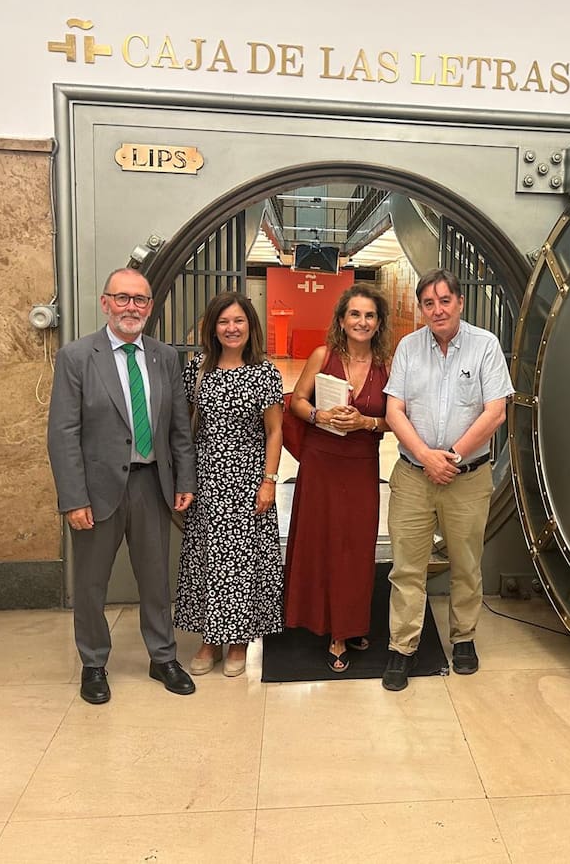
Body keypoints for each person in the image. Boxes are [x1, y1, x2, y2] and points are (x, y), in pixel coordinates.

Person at [48, 267, 198, 705]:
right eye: (123, 298)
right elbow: (63, 434)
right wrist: (73, 498)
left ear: (150, 307)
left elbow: (179, 428)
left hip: (152, 484)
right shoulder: (77, 357)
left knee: (156, 580)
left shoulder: (165, 357)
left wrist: (184, 478)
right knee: (91, 583)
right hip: (96, 491)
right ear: (105, 303)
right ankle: (94, 663)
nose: (131, 307)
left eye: (140, 299)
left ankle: (163, 657)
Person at [381, 269, 513, 691]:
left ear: (459, 302)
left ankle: (463, 638)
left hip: (467, 478)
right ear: (421, 308)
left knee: (467, 564)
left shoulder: (485, 346)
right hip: (413, 476)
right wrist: (426, 456)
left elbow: (496, 412)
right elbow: (394, 410)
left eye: (444, 300)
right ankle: (402, 646)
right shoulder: (408, 347)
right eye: (428, 303)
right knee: (407, 566)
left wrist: (451, 457)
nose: (437, 309)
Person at [176, 290, 285, 678]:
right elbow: (185, 428)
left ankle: (238, 642)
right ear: (213, 327)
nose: (231, 328)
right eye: (223, 321)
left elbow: (275, 432)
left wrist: (269, 481)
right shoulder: (196, 370)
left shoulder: (264, 373)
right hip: (207, 478)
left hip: (248, 480)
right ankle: (210, 640)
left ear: (250, 326)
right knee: (209, 560)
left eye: (238, 320)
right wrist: (184, 478)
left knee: (241, 564)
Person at [284, 283, 391, 672]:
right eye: (355, 314)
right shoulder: (322, 355)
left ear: (378, 323)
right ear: (342, 320)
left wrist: (366, 422)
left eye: (369, 315)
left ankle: (351, 622)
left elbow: (396, 419)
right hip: (321, 463)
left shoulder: (387, 366)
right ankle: (334, 631)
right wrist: (320, 415)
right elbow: (296, 402)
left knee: (356, 547)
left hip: (361, 464)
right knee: (323, 542)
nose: (362, 321)